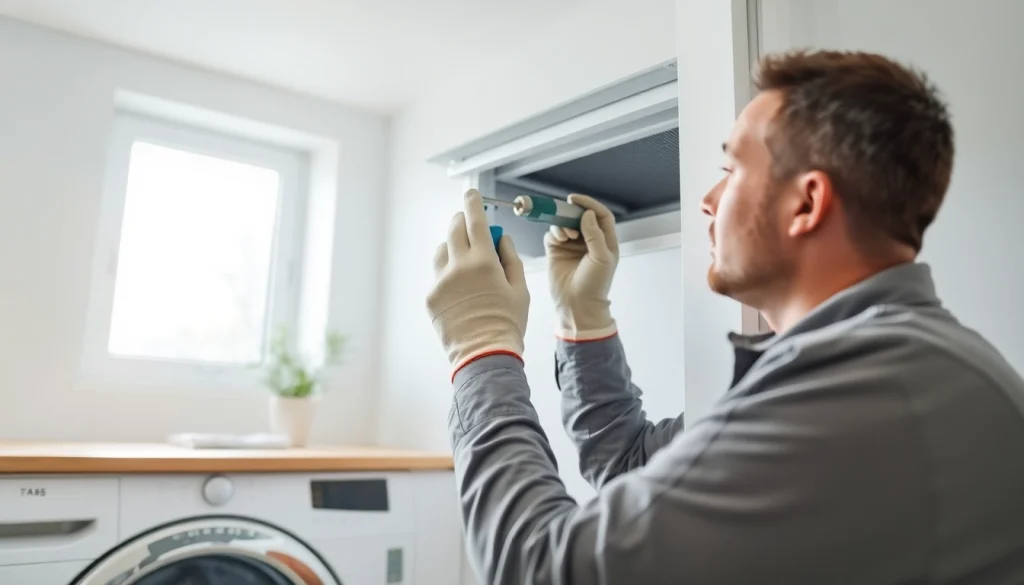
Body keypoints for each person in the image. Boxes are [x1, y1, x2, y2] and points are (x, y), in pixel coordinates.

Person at [425, 49, 1024, 584]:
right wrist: (584, 319)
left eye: (732, 169)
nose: (709, 201)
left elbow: (540, 568)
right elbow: (630, 462)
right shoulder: (865, 366)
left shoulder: (864, 392)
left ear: (807, 203)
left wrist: (481, 352)